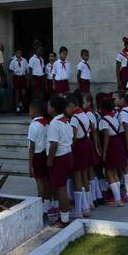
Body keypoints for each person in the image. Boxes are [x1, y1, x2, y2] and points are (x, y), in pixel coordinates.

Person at [46, 96, 74, 228]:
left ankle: (64, 218)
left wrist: (50, 160)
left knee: (61, 188)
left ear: (54, 108)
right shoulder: (66, 121)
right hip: (67, 154)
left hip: (59, 158)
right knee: (61, 186)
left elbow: (53, 144)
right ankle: (63, 213)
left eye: (49, 105)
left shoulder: (54, 124)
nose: (47, 108)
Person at [98, 96, 126, 207]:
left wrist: (104, 152)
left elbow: (106, 137)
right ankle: (118, 197)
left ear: (102, 109)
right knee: (114, 171)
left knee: (109, 172)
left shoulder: (104, 120)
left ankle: (117, 199)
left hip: (110, 146)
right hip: (118, 143)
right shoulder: (115, 117)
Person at [66, 95, 91, 219]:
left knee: (76, 177)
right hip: (85, 144)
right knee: (83, 173)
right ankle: (86, 206)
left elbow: (73, 137)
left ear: (71, 105)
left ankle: (79, 211)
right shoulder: (84, 114)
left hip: (78, 147)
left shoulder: (75, 118)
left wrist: (69, 149)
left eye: (67, 108)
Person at [113, 89, 128, 203]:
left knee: (126, 166)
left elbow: (127, 130)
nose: (113, 101)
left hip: (125, 139)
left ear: (122, 99)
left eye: (115, 99)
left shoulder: (123, 113)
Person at [27, 100, 51, 216]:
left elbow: (31, 146)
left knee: (40, 185)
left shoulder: (33, 125)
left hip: (37, 156)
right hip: (45, 155)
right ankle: (47, 207)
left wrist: (30, 164)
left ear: (34, 111)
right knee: (46, 183)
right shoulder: (47, 123)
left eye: (30, 110)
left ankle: (40, 209)